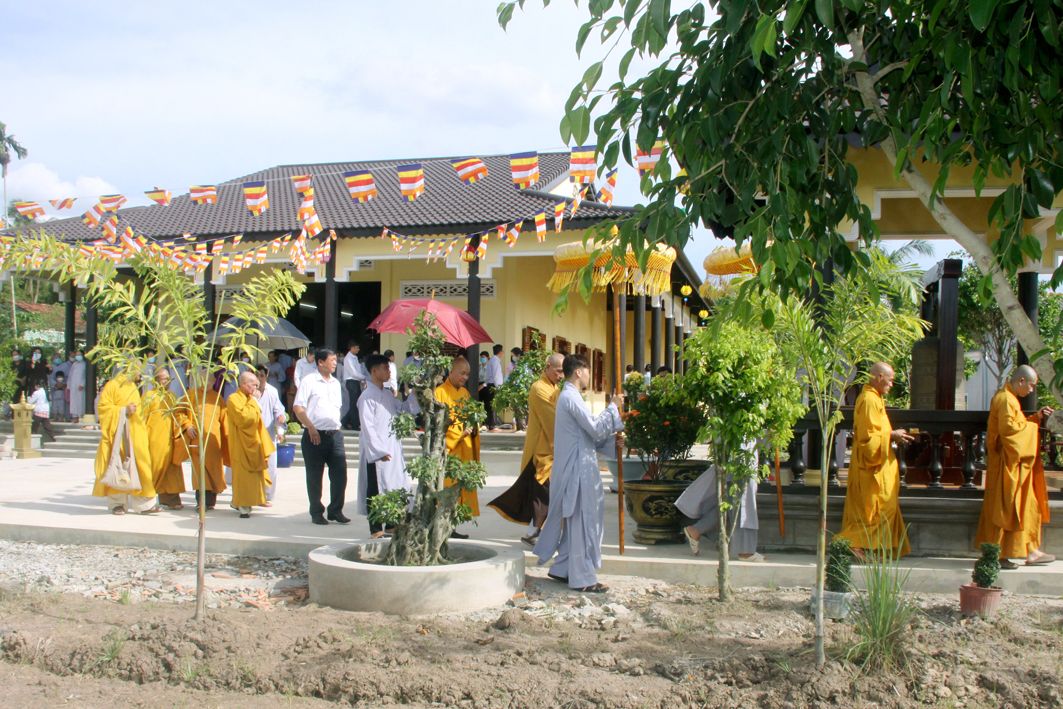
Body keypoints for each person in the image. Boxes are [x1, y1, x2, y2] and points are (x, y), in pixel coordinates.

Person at [534, 354, 624, 593]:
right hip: (576, 471)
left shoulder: (572, 397)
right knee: (582, 522)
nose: (590, 375)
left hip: (578, 466)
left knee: (576, 523)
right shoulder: (570, 397)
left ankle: (563, 568)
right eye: (588, 371)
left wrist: (612, 442)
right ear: (579, 371)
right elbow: (596, 428)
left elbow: (586, 435)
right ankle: (583, 578)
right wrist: (613, 406)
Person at [975, 364, 1055, 568]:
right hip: (1007, 467)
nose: (1032, 390)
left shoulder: (1009, 398)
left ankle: (1031, 551)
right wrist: (1033, 427)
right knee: (1006, 510)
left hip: (1013, 466)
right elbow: (1009, 432)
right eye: (1031, 385)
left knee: (1027, 507)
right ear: (1021, 381)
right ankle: (997, 556)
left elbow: (1016, 426)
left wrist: (1035, 418)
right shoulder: (1005, 399)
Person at [834, 362, 913, 560]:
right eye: (890, 380)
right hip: (872, 469)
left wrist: (893, 436)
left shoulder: (875, 398)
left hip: (880, 466)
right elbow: (867, 438)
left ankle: (870, 548)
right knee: (877, 510)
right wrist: (892, 435)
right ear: (879, 377)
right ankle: (850, 542)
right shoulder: (869, 399)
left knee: (883, 509)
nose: (891, 385)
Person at [488, 352, 564, 546]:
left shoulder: (555, 388)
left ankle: (536, 532)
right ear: (548, 367)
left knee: (545, 492)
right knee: (544, 491)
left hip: (551, 447)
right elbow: (553, 421)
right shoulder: (539, 388)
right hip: (542, 448)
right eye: (558, 371)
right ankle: (533, 533)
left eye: (563, 372)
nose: (561, 376)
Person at [358, 353, 420, 537]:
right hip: (376, 451)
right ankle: (376, 528)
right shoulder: (367, 397)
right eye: (385, 368)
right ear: (374, 371)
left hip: (392, 446)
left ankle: (392, 524)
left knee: (394, 485)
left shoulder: (386, 394)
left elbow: (401, 410)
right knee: (375, 488)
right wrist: (377, 450)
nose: (389, 371)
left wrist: (414, 394)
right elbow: (367, 427)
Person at [678, 439, 766, 561]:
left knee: (732, 502)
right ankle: (745, 551)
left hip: (742, 452)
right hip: (739, 452)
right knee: (742, 502)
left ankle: (697, 529)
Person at [93, 367, 161, 515]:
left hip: (136, 433)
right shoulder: (113, 385)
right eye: (138, 369)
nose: (140, 373)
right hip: (119, 434)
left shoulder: (133, 387)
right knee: (118, 466)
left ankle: (144, 505)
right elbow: (103, 408)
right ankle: (117, 504)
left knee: (141, 467)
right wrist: (123, 410)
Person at [293, 348, 349, 525]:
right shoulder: (309, 381)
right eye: (332, 360)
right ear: (320, 362)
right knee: (315, 476)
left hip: (335, 434)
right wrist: (310, 427)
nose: (335, 363)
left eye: (336, 359)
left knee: (340, 474)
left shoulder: (335, 383)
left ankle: (336, 510)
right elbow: (298, 407)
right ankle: (317, 512)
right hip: (315, 434)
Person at [434, 356, 480, 538]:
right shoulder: (439, 393)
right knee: (446, 487)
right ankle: (441, 528)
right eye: (462, 373)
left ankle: (452, 527)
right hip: (449, 450)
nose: (465, 377)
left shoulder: (465, 393)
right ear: (450, 371)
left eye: (467, 374)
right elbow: (437, 425)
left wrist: (474, 424)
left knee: (459, 489)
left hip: (463, 448)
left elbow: (471, 417)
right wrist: (457, 435)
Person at [174, 371, 228, 510]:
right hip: (196, 441)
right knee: (199, 472)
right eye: (202, 380)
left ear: (214, 381)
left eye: (208, 380)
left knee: (214, 472)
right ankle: (201, 502)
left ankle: (210, 502)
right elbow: (179, 413)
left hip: (213, 442)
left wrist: (229, 439)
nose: (205, 383)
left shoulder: (217, 398)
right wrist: (188, 425)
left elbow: (225, 420)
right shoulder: (191, 394)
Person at [226, 371, 276, 518]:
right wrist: (254, 401)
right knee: (242, 476)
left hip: (254, 442)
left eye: (257, 385)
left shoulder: (249, 399)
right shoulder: (233, 398)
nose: (256, 388)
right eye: (254, 385)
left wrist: (253, 401)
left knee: (254, 476)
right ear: (244, 384)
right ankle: (243, 505)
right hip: (241, 444)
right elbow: (244, 419)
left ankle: (241, 502)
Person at [142, 368, 186, 510]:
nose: (167, 382)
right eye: (164, 379)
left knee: (171, 470)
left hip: (170, 439)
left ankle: (171, 499)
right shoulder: (148, 396)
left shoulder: (171, 395)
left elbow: (177, 414)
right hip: (153, 440)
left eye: (168, 379)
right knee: (155, 470)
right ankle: (147, 501)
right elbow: (141, 419)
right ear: (155, 381)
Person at [255, 365, 286, 505]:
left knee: (270, 466)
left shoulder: (272, 391)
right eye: (257, 376)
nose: (259, 379)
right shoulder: (249, 392)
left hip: (268, 434)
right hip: (252, 435)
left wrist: (280, 427)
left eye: (261, 376)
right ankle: (254, 495)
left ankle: (267, 495)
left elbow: (279, 410)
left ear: (266, 377)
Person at [341, 341, 365, 430]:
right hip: (351, 381)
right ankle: (354, 424)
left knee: (355, 403)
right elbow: (354, 373)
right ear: (352, 348)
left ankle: (345, 421)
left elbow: (358, 371)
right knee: (354, 404)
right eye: (357, 348)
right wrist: (364, 377)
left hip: (356, 381)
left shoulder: (355, 358)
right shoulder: (348, 358)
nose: (358, 350)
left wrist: (362, 379)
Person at [27, 377, 56, 443]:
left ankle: (31, 442)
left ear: (37, 385)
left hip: (38, 412)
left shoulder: (36, 393)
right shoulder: (47, 392)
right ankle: (54, 439)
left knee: (34, 428)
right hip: (46, 412)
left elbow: (30, 402)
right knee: (48, 428)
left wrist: (28, 398)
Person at [483, 344, 504, 431]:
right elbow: (496, 376)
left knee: (490, 405)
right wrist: (498, 387)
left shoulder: (491, 361)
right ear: (500, 352)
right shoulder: (495, 361)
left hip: (490, 384)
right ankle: (492, 425)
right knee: (493, 406)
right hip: (493, 385)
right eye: (502, 351)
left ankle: (490, 423)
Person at [50, 352, 70, 422]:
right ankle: (55, 417)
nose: (56, 359)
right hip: (55, 388)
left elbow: (68, 376)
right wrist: (56, 384)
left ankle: (64, 417)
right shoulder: (51, 367)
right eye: (55, 358)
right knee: (55, 404)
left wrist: (64, 384)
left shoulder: (65, 366)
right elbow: (50, 377)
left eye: (58, 357)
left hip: (63, 387)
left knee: (62, 404)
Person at [67, 350, 87, 421]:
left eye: (79, 354)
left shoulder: (85, 364)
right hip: (73, 385)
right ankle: (74, 416)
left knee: (80, 400)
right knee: (73, 400)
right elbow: (70, 375)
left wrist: (83, 384)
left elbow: (86, 375)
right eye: (77, 355)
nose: (78, 356)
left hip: (80, 385)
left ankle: (81, 415)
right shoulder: (74, 364)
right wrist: (68, 385)